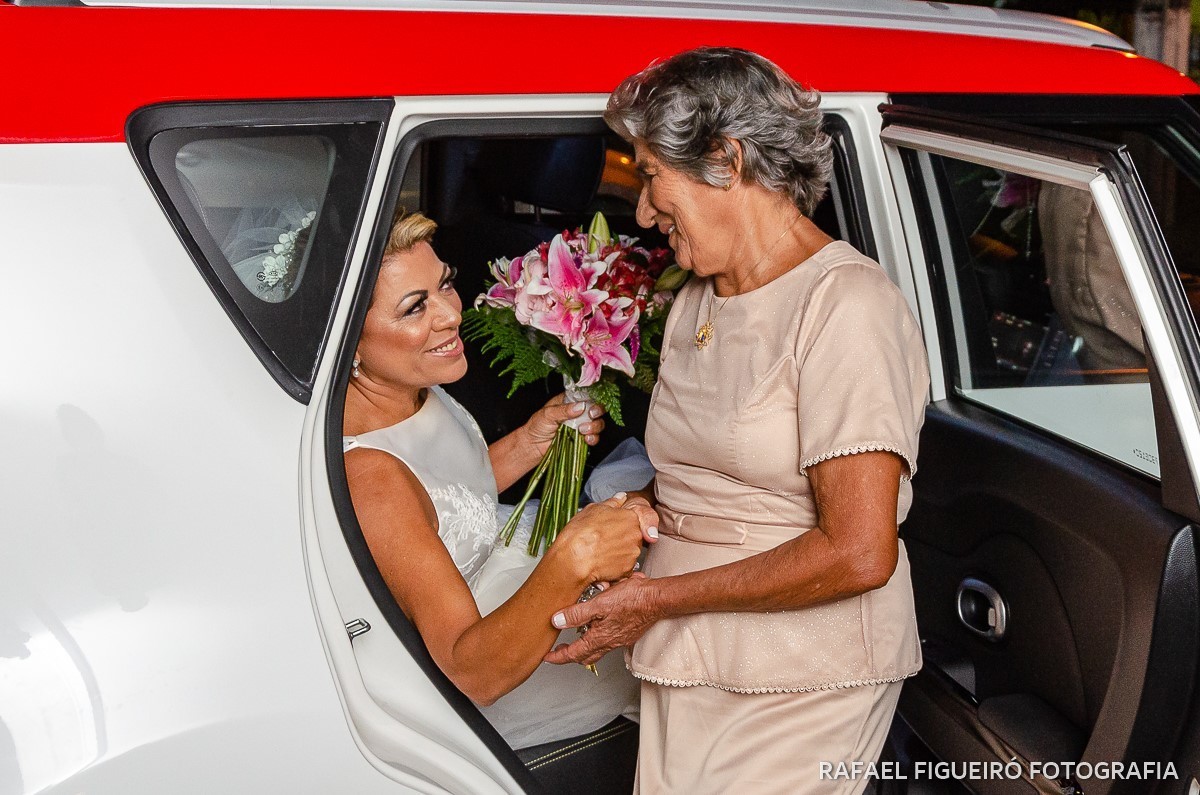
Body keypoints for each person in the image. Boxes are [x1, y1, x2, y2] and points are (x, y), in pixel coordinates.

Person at [544, 48, 930, 793]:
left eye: (651, 175)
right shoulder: (697, 294)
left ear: (727, 158)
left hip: (803, 677)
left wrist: (654, 599)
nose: (645, 210)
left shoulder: (846, 306)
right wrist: (634, 523)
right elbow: (707, 473)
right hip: (686, 656)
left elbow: (858, 551)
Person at [342, 209, 656, 750]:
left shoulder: (407, 385)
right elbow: (472, 672)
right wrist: (571, 560)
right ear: (349, 344)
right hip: (489, 660)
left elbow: (448, 495)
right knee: (662, 642)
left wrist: (531, 440)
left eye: (444, 286)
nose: (449, 315)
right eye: (415, 307)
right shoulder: (371, 479)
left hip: (503, 557)